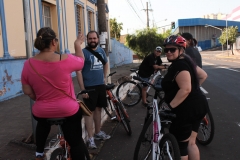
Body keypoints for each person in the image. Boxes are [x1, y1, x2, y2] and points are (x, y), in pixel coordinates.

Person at [21, 27, 89, 160]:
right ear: (53, 42)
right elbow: (81, 63)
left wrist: (41, 98)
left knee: (42, 123)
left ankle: (39, 153)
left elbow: (27, 91)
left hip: (42, 111)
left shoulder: (28, 64)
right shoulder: (66, 59)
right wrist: (77, 45)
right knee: (76, 143)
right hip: (68, 110)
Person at [161, 35, 209, 160]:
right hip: (199, 105)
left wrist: (168, 106)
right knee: (191, 143)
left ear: (181, 50)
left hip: (186, 111)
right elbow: (203, 75)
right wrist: (194, 90)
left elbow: (186, 89)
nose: (169, 52)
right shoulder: (187, 61)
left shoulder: (179, 65)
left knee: (181, 146)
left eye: (173, 49)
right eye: (166, 50)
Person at [76, 31, 110, 149]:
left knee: (98, 110)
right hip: (89, 88)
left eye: (94, 38)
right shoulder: (83, 52)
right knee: (88, 112)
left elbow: (106, 63)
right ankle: (90, 138)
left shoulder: (101, 51)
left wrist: (104, 77)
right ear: (87, 40)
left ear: (97, 39)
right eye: (90, 38)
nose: (92, 40)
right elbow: (78, 71)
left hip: (100, 85)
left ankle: (98, 132)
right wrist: (83, 89)